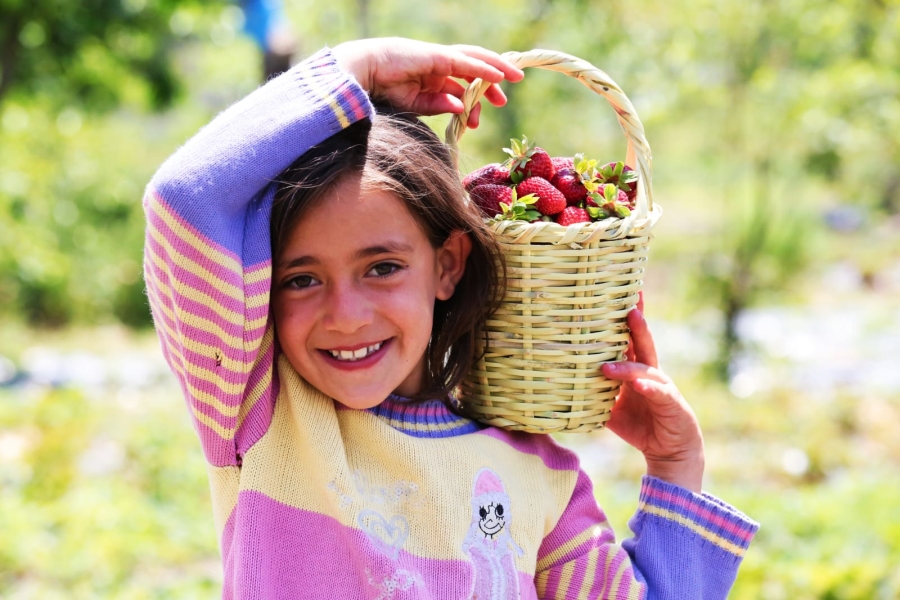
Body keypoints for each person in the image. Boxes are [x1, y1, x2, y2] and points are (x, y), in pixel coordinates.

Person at [143, 37, 758, 599]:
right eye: (302, 280)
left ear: (447, 265)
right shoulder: (258, 409)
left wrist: (676, 469)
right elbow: (183, 200)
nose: (346, 315)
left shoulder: (536, 473)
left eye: (382, 267)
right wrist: (356, 67)